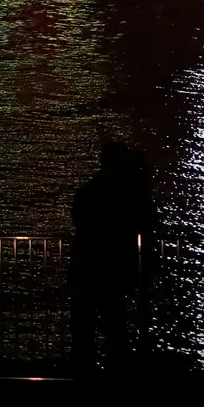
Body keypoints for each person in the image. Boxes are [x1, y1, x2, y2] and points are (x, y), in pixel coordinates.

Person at [71, 140, 156, 373]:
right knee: (115, 327)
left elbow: (80, 223)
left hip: (88, 268)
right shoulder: (128, 196)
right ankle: (117, 378)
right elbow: (149, 221)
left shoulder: (88, 192)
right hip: (114, 270)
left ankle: (84, 377)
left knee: (84, 330)